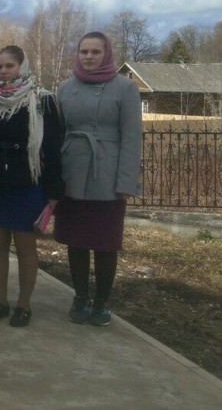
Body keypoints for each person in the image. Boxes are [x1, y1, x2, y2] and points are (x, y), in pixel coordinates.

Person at [0, 46, 64, 327]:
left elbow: (53, 148)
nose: (4, 71)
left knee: (25, 247)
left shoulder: (42, 100)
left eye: (10, 66)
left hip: (27, 183)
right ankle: (0, 301)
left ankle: (23, 305)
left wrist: (54, 191)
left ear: (23, 66)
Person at [55, 31, 142, 327]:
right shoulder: (65, 87)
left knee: (105, 242)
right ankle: (80, 297)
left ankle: (102, 301)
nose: (89, 57)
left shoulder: (125, 88)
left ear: (107, 54)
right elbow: (58, 133)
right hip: (72, 171)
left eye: (95, 51)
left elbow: (132, 138)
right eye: (84, 51)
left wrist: (126, 183)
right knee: (76, 241)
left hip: (108, 175)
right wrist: (55, 177)